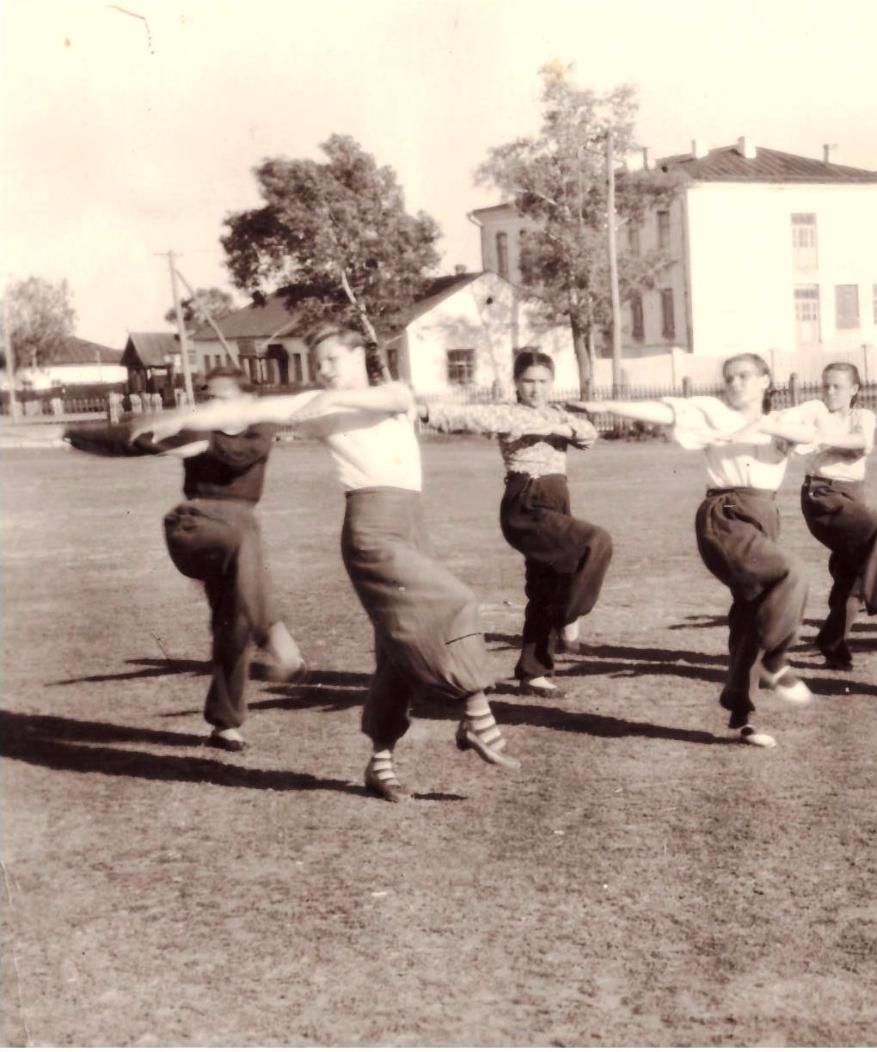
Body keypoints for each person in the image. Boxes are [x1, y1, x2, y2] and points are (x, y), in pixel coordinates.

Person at [137, 325, 521, 801]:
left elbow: (383, 399)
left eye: (331, 361)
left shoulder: (388, 392)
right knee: (456, 600)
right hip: (371, 530)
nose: (322, 371)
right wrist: (180, 420)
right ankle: (477, 714)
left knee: (396, 651)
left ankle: (380, 763)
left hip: (410, 522)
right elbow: (257, 409)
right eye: (318, 364)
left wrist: (322, 402)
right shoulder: (319, 408)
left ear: (361, 355)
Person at [571, 353, 815, 747]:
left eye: (745, 376)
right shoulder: (711, 411)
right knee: (792, 573)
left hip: (764, 515)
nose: (735, 383)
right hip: (726, 514)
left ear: (766, 380)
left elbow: (809, 436)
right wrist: (604, 405)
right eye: (729, 377)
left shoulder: (783, 422)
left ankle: (741, 715)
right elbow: (662, 411)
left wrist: (766, 423)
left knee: (753, 609)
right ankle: (775, 660)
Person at [66, 367, 307, 752]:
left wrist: (195, 438)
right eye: (208, 397)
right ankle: (275, 637)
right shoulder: (197, 430)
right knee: (244, 534)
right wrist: (75, 435)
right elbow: (134, 442)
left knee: (233, 624)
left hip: (235, 532)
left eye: (222, 397)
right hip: (195, 527)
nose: (211, 405)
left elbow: (236, 456)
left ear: (247, 400)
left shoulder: (259, 430)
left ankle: (225, 723)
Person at [419, 350, 613, 695]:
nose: (536, 389)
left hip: (557, 500)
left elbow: (588, 436)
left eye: (542, 382)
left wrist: (560, 425)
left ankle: (533, 672)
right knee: (595, 541)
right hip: (527, 501)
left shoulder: (558, 413)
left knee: (545, 588)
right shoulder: (508, 414)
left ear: (552, 383)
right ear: (516, 383)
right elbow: (469, 416)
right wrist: (425, 411)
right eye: (528, 381)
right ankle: (569, 616)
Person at [781, 361, 877, 671]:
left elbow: (861, 444)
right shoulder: (815, 411)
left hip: (854, 493)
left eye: (837, 386)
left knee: (853, 575)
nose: (829, 392)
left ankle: (833, 645)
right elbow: (791, 423)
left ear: (854, 389)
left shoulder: (862, 416)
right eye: (825, 385)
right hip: (822, 496)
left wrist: (821, 440)